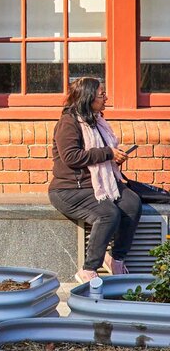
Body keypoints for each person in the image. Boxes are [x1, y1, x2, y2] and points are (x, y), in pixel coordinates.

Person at [48, 76, 142, 284]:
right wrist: (108, 153)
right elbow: (71, 157)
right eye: (101, 94)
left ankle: (116, 259)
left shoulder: (96, 121)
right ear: (88, 98)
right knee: (108, 213)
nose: (106, 98)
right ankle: (89, 269)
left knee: (132, 204)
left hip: (98, 184)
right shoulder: (68, 122)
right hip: (71, 189)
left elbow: (99, 155)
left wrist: (113, 158)